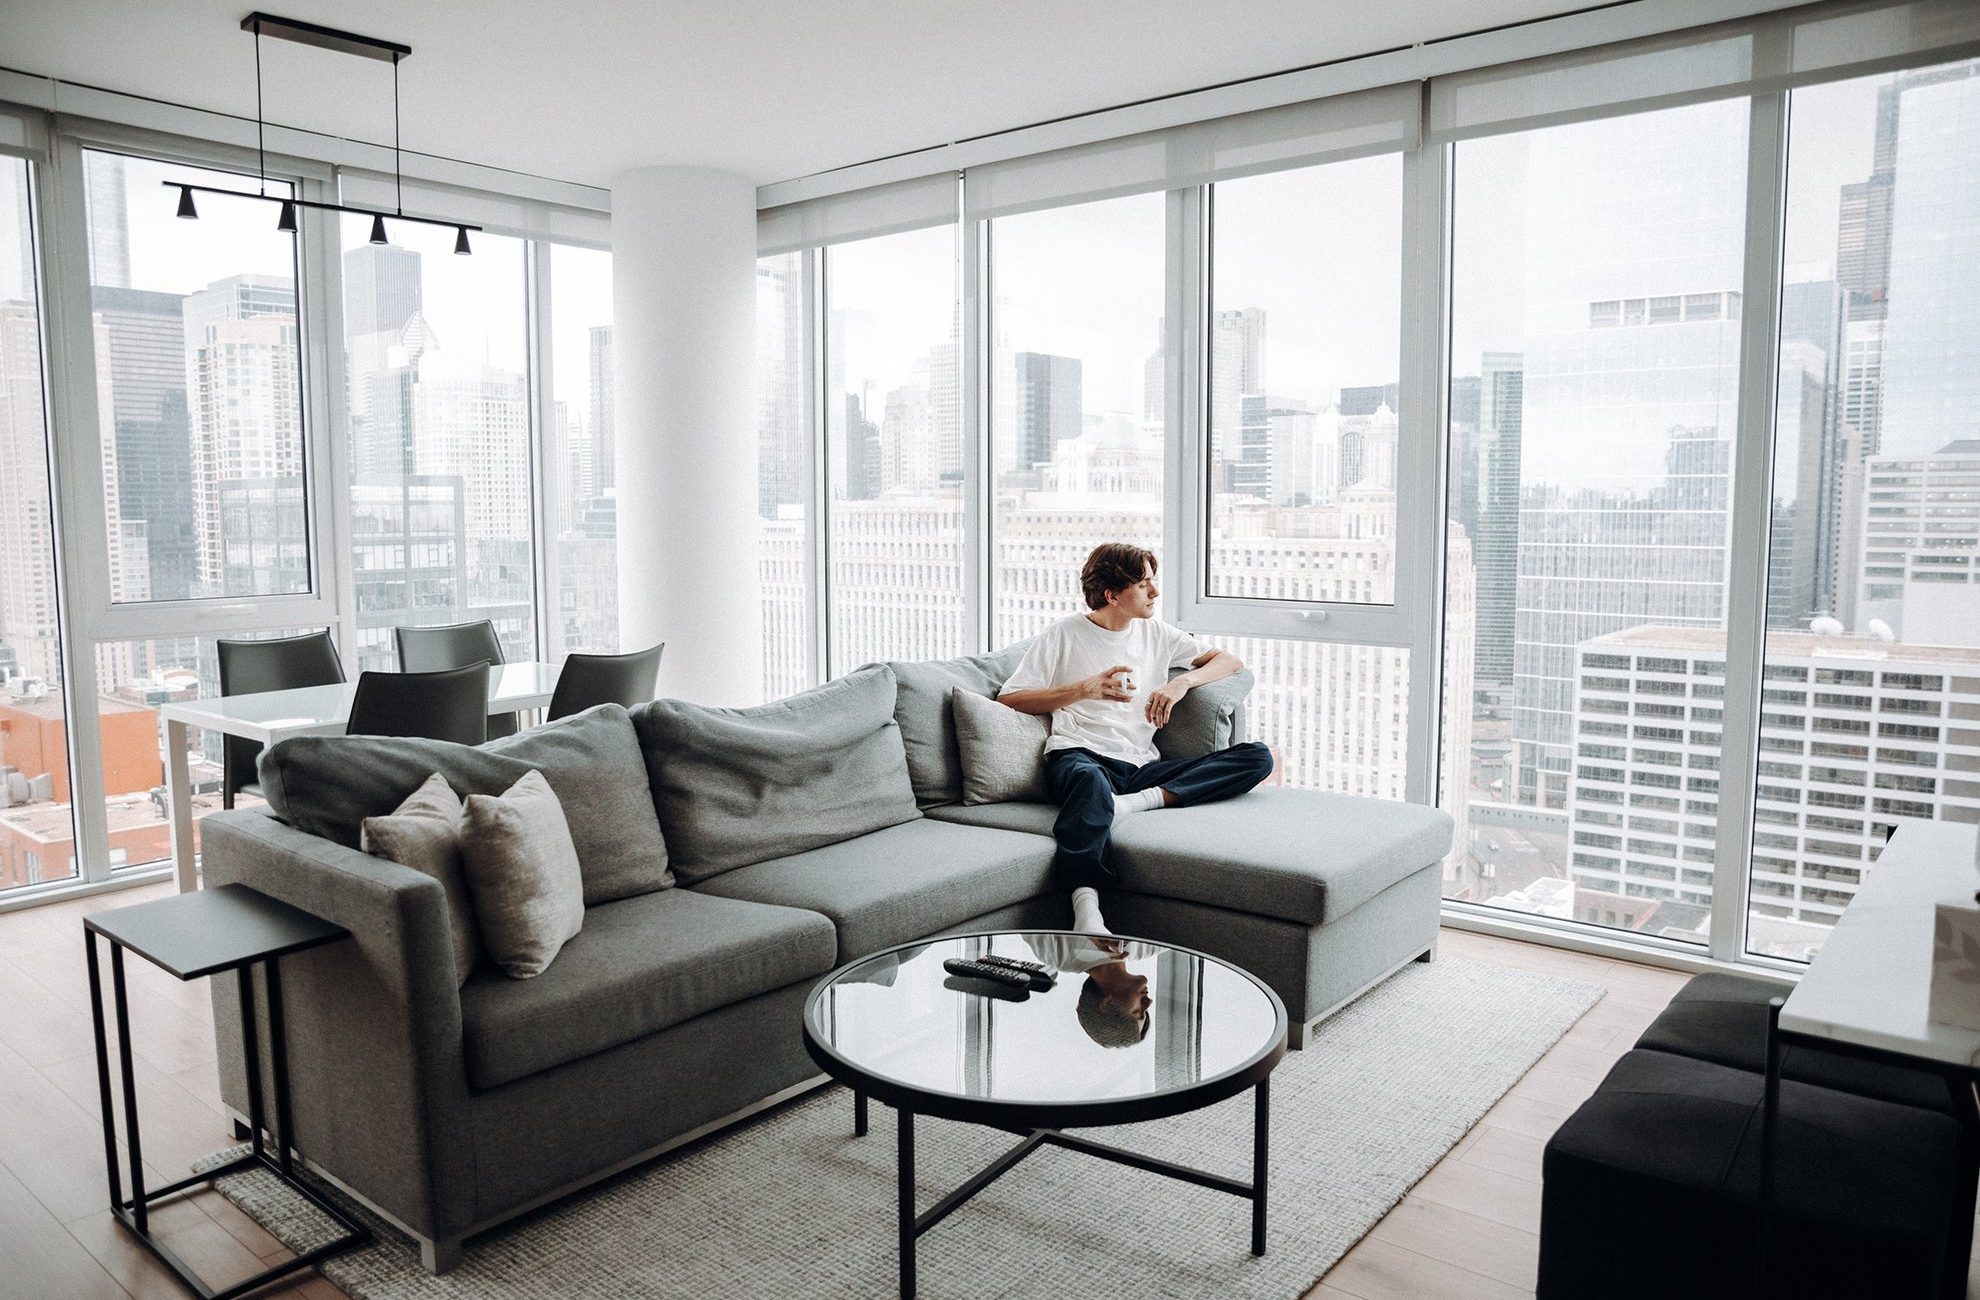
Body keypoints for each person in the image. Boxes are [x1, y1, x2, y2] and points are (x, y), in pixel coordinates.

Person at [997, 542, 1275, 933]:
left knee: (1258, 757)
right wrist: (1084, 689)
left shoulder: (1156, 633)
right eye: (1145, 585)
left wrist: (1181, 685)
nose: (1155, 593)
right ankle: (1086, 908)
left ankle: (1131, 804)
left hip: (1139, 767)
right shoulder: (1064, 634)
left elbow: (1229, 661)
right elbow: (1011, 697)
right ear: (1112, 595)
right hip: (1080, 756)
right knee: (1089, 782)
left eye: (1153, 582)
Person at [1022, 932, 1159, 1048]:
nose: (1148, 1002)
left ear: (1107, 1004)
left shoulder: (1056, 953)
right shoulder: (1148, 946)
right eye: (1145, 1011)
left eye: (1137, 1011)